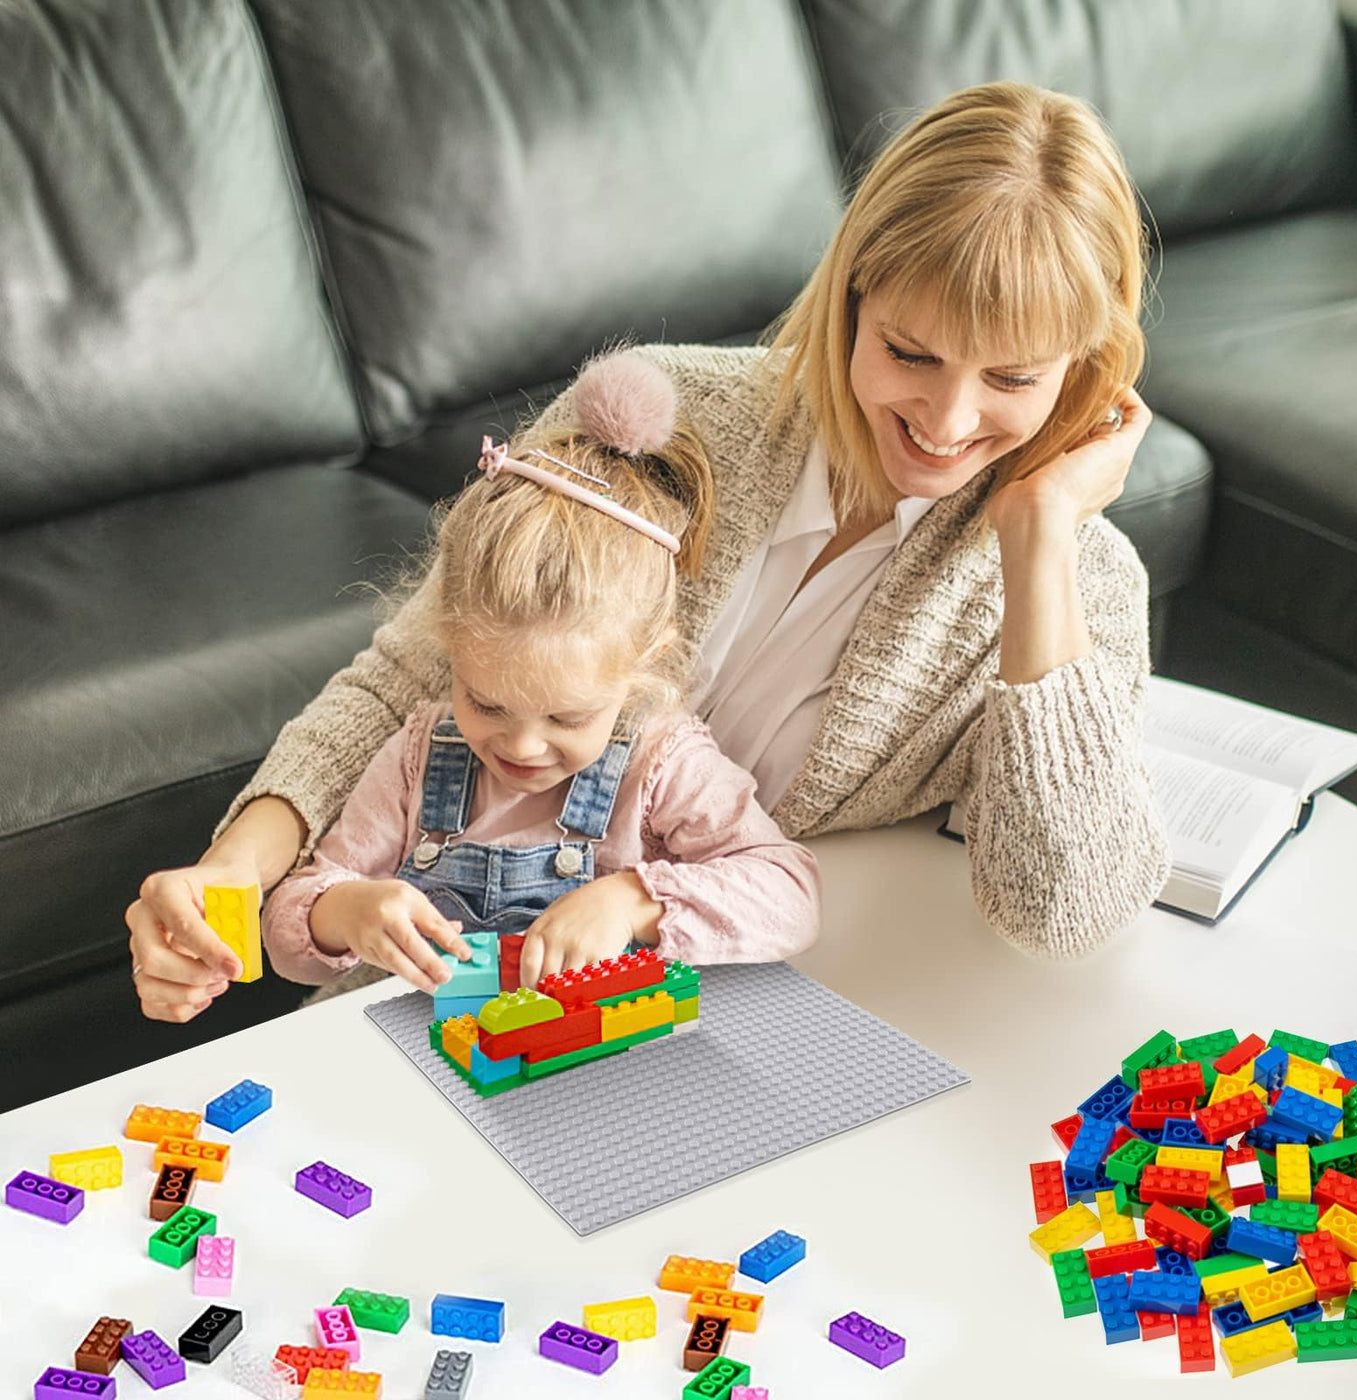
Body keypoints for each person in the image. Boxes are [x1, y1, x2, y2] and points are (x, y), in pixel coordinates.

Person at [128, 80, 1170, 1023]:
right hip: (456, 995)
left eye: (1012, 379)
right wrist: (228, 874)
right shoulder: (657, 416)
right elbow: (409, 678)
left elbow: (1061, 911)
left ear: (1086, 368)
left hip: (731, 1003)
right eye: (908, 351)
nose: (945, 419)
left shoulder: (1079, 586)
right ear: (852, 291)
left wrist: (1039, 540)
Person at [249, 351, 820, 994]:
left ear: (644, 665)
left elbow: (790, 893)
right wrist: (342, 912)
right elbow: (288, 939)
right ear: (450, 650)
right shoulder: (418, 757)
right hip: (416, 1058)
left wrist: (632, 901)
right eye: (486, 704)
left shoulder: (661, 765)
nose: (520, 746)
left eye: (567, 717)